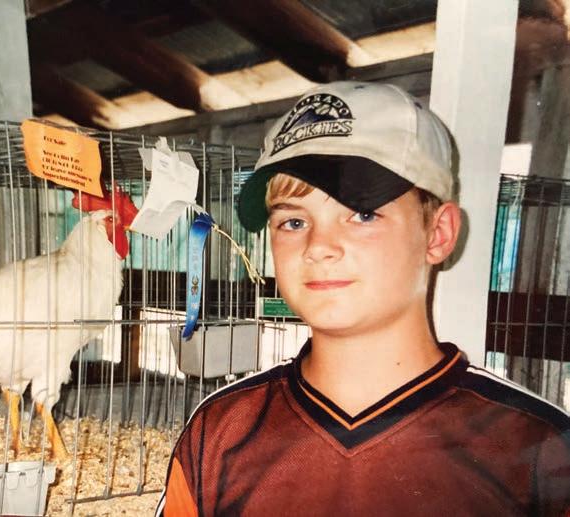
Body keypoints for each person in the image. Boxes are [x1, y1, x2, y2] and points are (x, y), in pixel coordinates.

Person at [155, 81, 570, 516]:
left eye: (363, 214)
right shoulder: (220, 432)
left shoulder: (537, 450)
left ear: (438, 234)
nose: (319, 246)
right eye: (293, 222)